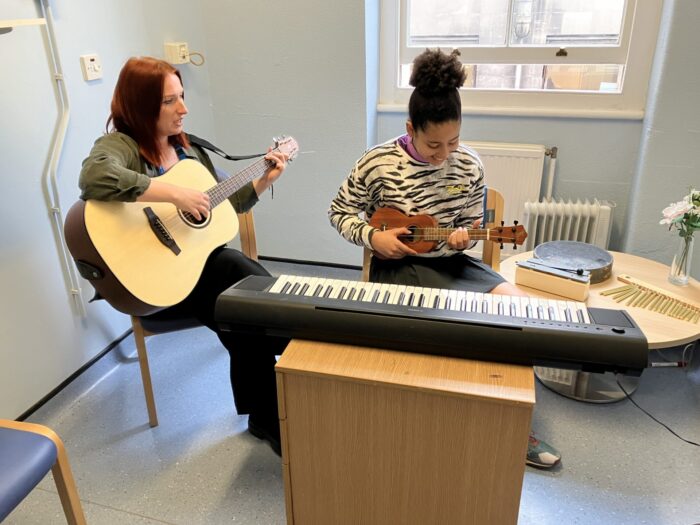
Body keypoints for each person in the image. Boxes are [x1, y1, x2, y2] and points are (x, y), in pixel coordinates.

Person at [328, 49, 560, 469]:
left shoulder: (468, 164)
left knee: (518, 305)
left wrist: (462, 237)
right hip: (398, 266)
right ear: (410, 129)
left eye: (452, 142)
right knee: (450, 322)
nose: (443, 154)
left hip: (448, 264)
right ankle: (449, 420)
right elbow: (339, 212)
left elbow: (472, 222)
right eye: (433, 143)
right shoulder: (377, 163)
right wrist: (373, 237)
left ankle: (509, 420)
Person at [79, 56, 287, 455]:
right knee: (243, 284)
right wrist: (174, 193)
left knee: (243, 316)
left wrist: (264, 179)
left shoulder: (190, 151)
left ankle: (266, 414)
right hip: (153, 283)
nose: (184, 109)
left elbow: (232, 204)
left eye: (183, 97)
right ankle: (290, 340)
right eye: (169, 101)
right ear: (140, 105)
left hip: (195, 268)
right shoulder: (119, 146)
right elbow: (93, 178)